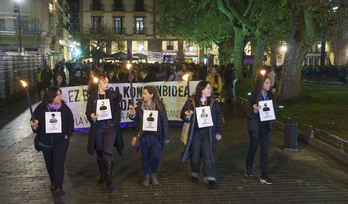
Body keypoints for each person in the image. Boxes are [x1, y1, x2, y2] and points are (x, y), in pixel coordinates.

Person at [30, 87, 74, 197]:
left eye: (60, 94)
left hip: (61, 142)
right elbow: (35, 125)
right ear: (51, 97)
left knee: (58, 163)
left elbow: (70, 123)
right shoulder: (41, 108)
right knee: (50, 164)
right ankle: (53, 181)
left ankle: (59, 186)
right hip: (46, 142)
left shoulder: (64, 109)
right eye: (57, 95)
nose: (60, 97)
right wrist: (35, 127)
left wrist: (66, 135)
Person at [180, 81, 223, 190]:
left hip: (208, 133)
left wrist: (218, 132)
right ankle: (195, 173)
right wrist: (187, 116)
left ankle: (211, 178)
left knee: (208, 154)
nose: (210, 90)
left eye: (210, 88)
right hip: (195, 132)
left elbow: (218, 117)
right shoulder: (192, 101)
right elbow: (183, 114)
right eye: (208, 88)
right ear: (201, 89)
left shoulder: (213, 102)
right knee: (195, 154)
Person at [86, 72, 123, 191]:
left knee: (108, 151)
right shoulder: (92, 96)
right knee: (100, 151)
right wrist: (92, 117)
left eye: (108, 82)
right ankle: (103, 175)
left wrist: (113, 122)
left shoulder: (111, 95)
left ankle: (109, 179)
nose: (107, 84)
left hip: (109, 128)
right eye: (105, 82)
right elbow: (88, 111)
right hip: (98, 128)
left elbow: (118, 109)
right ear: (98, 83)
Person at [129, 86, 170, 187]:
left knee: (155, 156)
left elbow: (164, 120)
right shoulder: (139, 105)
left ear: (151, 95)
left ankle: (154, 174)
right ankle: (146, 176)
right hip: (144, 136)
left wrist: (166, 136)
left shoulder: (159, 106)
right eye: (143, 93)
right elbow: (134, 119)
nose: (143, 95)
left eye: (145, 93)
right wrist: (132, 114)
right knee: (145, 157)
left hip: (156, 136)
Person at [244, 74, 277, 185]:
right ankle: (248, 166)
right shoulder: (254, 97)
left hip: (265, 127)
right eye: (267, 83)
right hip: (256, 127)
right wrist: (253, 112)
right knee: (253, 148)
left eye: (270, 83)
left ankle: (264, 175)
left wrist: (271, 123)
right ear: (261, 84)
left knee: (264, 152)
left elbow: (274, 111)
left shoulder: (271, 97)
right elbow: (247, 112)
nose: (269, 85)